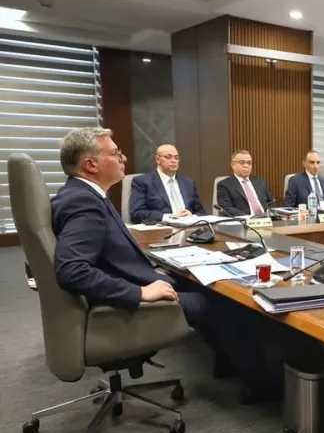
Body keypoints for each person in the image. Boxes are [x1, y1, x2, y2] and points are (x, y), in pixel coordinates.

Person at [52, 128, 270, 404]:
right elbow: (72, 270)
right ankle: (262, 383)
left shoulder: (83, 195)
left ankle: (229, 365)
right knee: (228, 303)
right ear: (90, 165)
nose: (123, 158)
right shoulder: (83, 202)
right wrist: (140, 292)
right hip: (119, 305)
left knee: (209, 287)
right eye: (116, 153)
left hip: (129, 283)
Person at [129, 144, 206, 222]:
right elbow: (136, 213)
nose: (173, 161)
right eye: (168, 157)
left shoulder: (188, 183)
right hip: (161, 227)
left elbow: (201, 212)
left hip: (189, 226)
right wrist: (169, 217)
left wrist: (192, 215)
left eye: (176, 158)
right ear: (157, 159)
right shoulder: (143, 182)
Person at [215, 149, 275, 216]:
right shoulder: (224, 185)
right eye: (242, 163)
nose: (246, 166)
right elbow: (227, 208)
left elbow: (272, 202)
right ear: (232, 165)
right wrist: (249, 218)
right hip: (243, 220)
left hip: (266, 218)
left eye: (249, 163)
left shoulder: (260, 182)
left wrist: (269, 214)